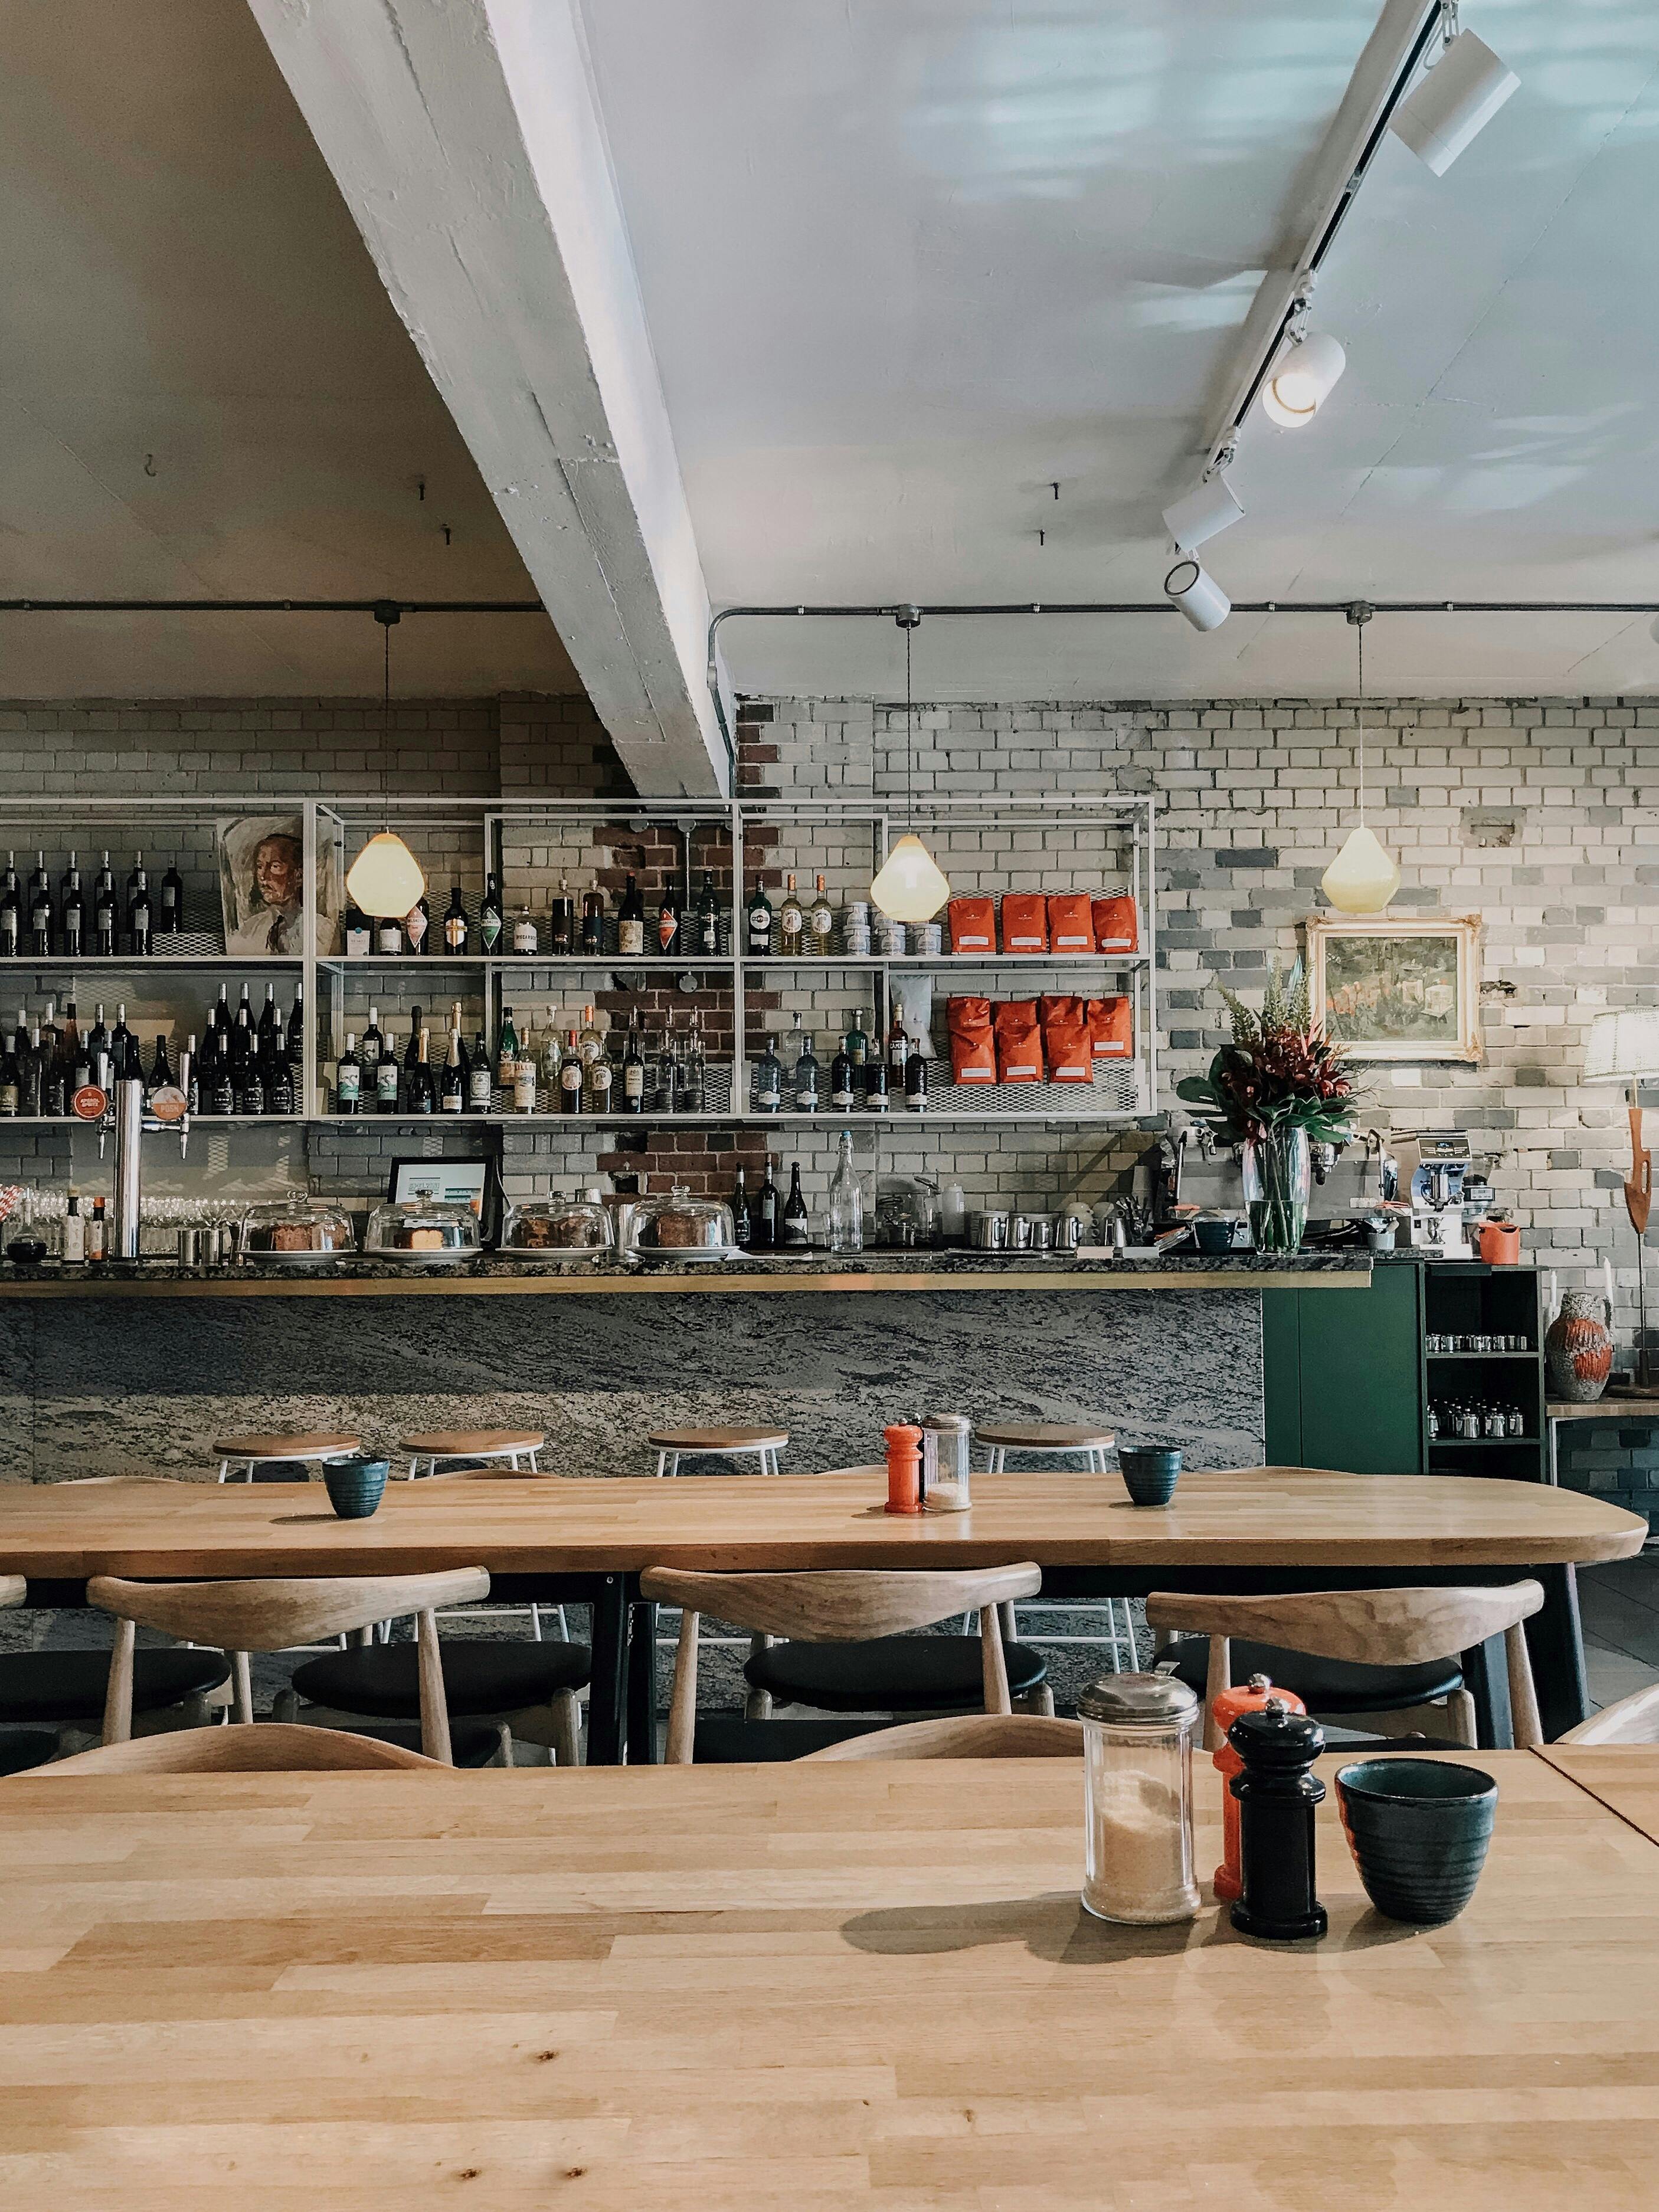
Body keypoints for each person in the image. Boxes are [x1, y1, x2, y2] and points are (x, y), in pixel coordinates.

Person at [250, 832, 303, 953]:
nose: (263, 876)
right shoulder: (251, 928)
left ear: (299, 876)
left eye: (275, 866)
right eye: (260, 867)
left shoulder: (318, 929)